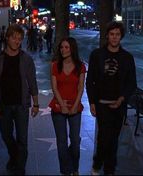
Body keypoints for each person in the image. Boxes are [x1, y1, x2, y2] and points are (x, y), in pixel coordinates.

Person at [86, 21, 137, 175]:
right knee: (103, 136)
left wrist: (122, 98)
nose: (114, 37)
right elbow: (90, 80)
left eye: (117, 34)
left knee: (114, 138)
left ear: (121, 36)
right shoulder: (97, 55)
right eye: (112, 34)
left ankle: (109, 168)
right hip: (102, 104)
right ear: (107, 35)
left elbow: (132, 83)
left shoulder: (127, 58)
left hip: (119, 105)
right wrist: (92, 102)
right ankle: (97, 163)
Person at [0, 24, 39, 175]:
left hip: (22, 105)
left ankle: (20, 167)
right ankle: (14, 156)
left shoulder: (26, 59)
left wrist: (36, 104)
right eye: (14, 38)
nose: (17, 41)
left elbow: (32, 82)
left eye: (20, 39)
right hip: (4, 105)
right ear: (7, 38)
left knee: (22, 139)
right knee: (6, 135)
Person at [49, 37, 86, 175]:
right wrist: (62, 105)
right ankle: (65, 171)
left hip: (75, 107)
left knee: (75, 141)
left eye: (66, 47)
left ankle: (74, 168)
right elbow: (54, 87)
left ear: (72, 49)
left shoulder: (80, 66)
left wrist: (75, 105)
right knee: (62, 142)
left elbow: (81, 87)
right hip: (58, 107)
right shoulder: (55, 65)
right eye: (61, 47)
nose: (63, 50)